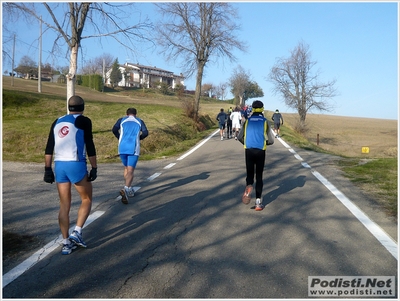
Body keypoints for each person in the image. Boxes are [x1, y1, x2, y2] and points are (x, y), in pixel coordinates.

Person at [44, 95, 98, 255]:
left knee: (64, 205)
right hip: (76, 163)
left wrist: (47, 169)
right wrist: (94, 167)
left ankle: (66, 242)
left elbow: (49, 146)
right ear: (83, 106)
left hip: (59, 165)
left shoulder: (57, 121)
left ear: (69, 107)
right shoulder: (84, 121)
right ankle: (77, 232)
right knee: (86, 199)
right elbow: (90, 144)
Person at [237, 100, 270, 211]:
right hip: (261, 150)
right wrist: (265, 142)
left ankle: (249, 186)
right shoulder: (265, 121)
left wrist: (246, 143)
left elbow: (240, 136)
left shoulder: (247, 121)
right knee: (259, 176)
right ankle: (258, 203)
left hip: (249, 150)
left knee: (250, 174)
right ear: (262, 108)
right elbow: (271, 140)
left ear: (252, 109)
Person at [112, 107, 148, 204]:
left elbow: (114, 129)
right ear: (135, 114)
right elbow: (145, 133)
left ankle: (129, 188)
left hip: (122, 147)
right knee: (131, 170)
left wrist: (119, 137)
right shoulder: (139, 121)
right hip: (133, 147)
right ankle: (126, 188)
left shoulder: (121, 120)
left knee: (126, 168)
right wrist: (139, 138)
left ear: (127, 114)